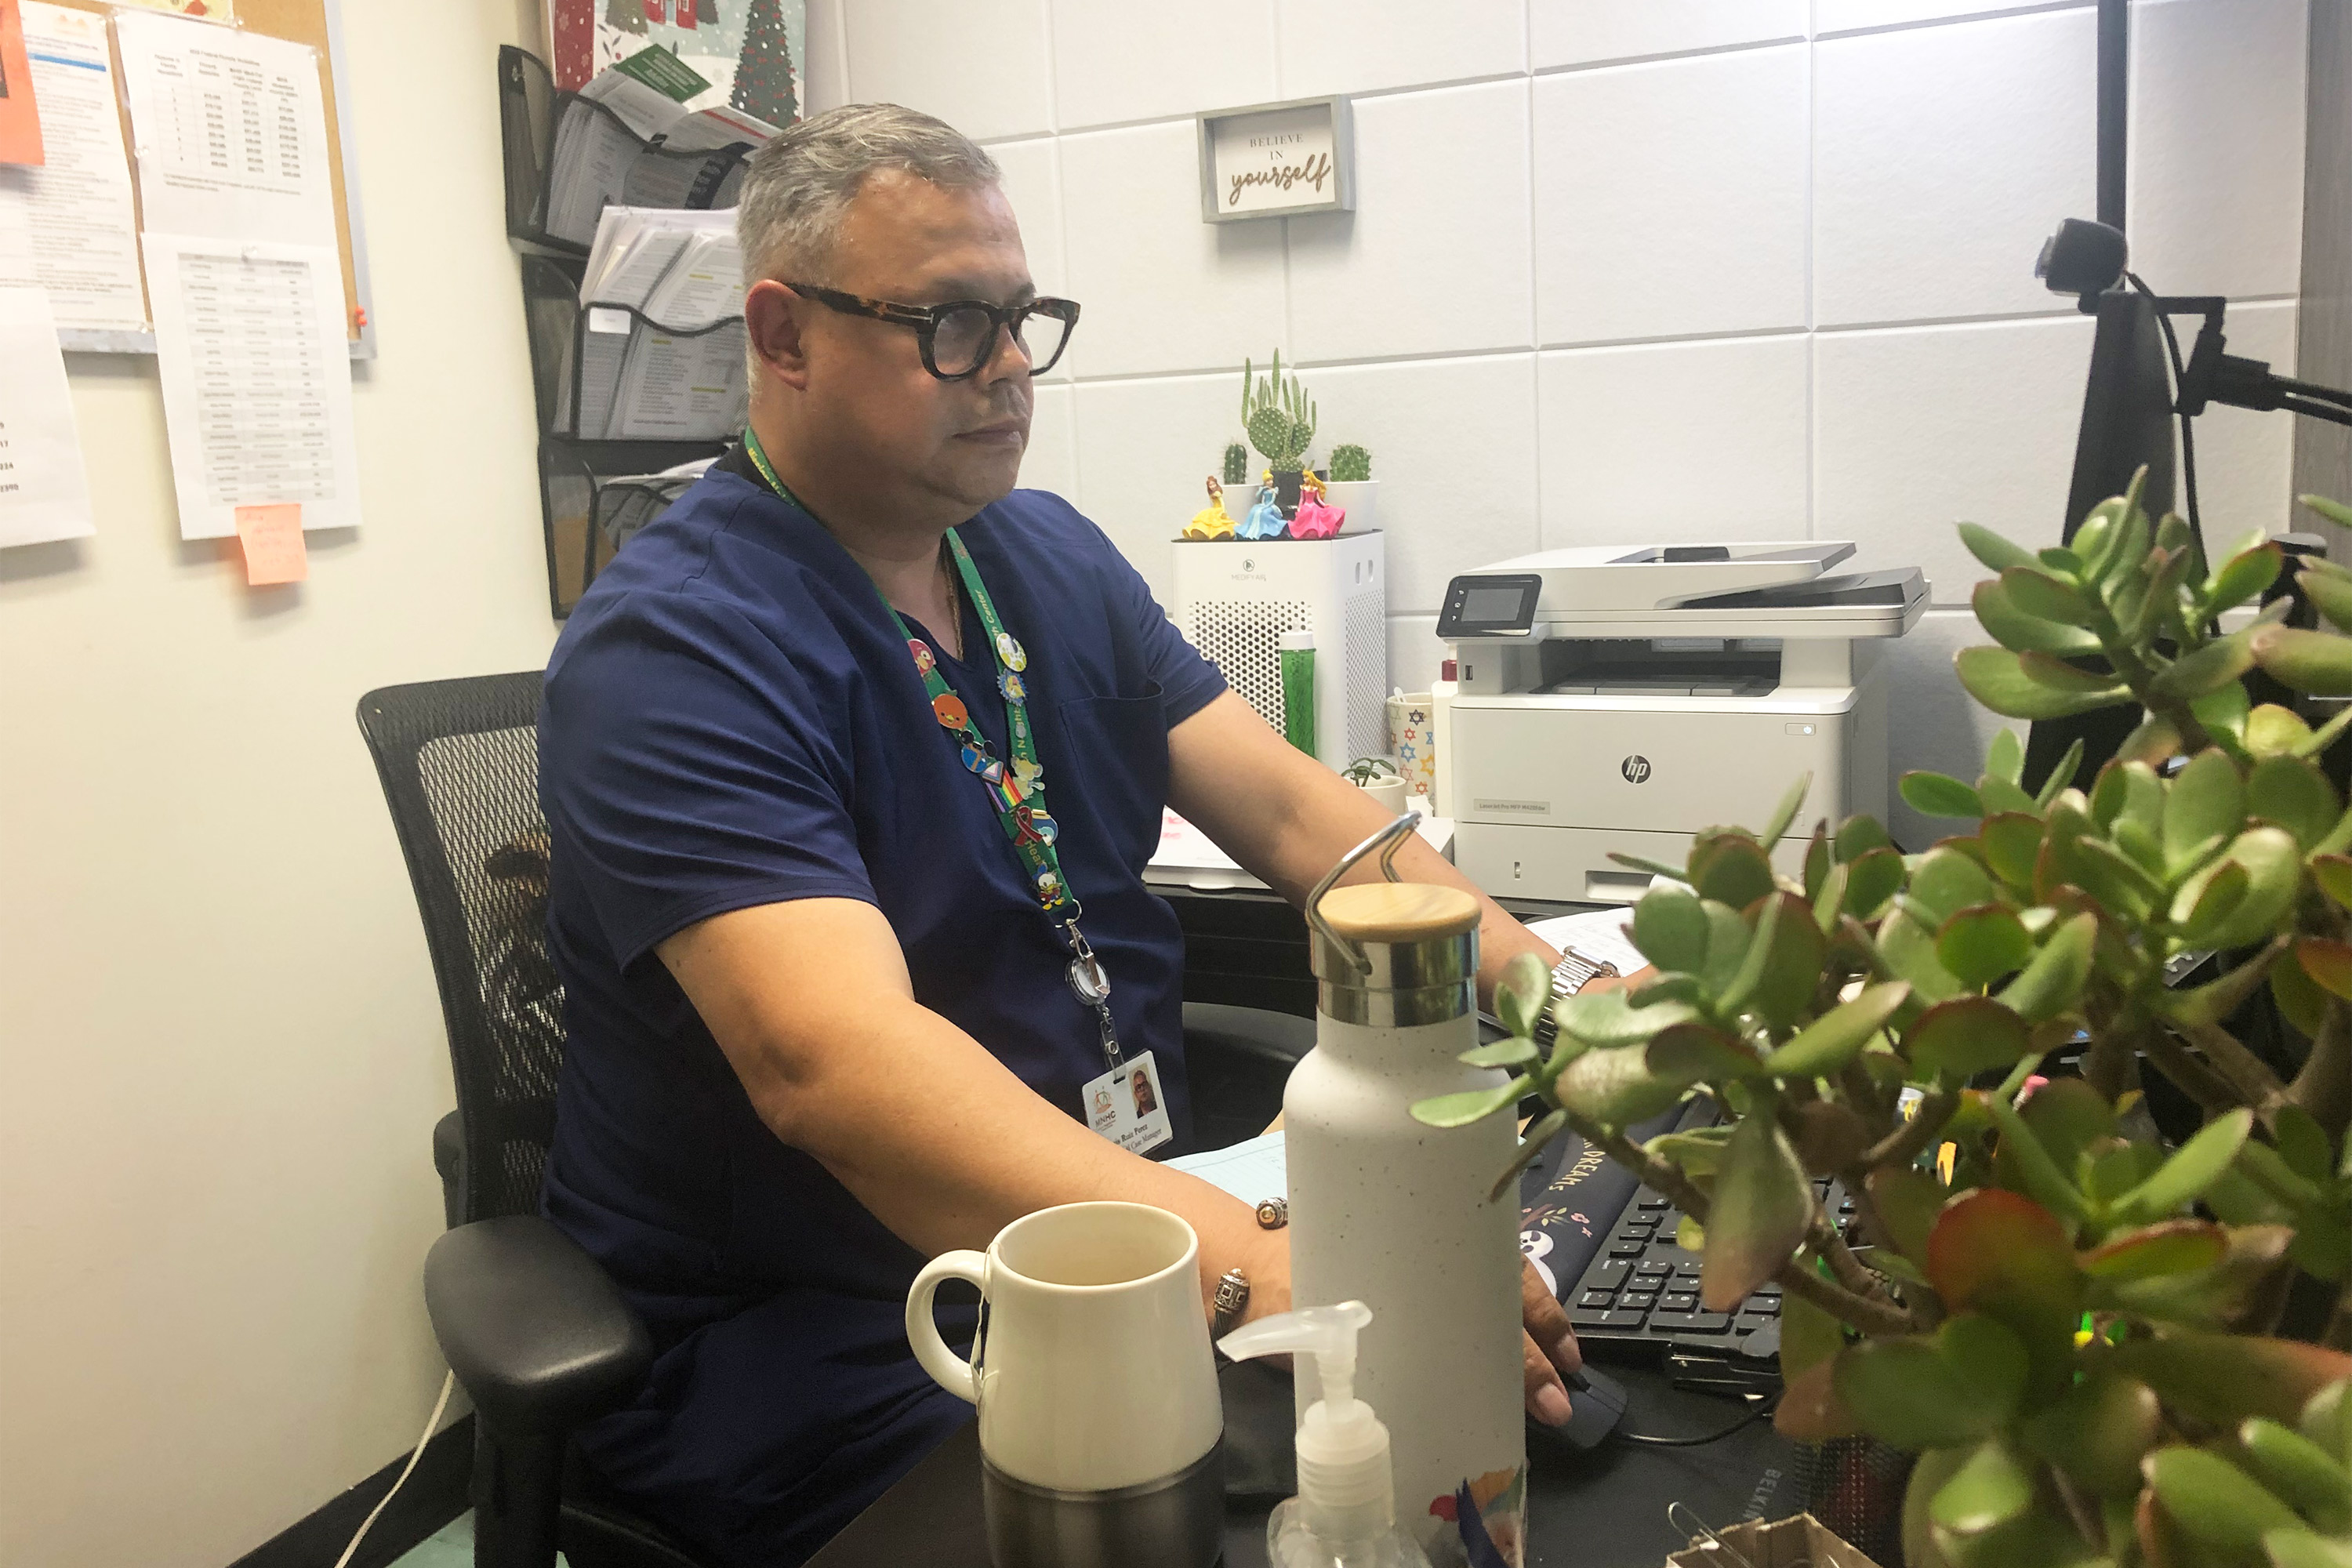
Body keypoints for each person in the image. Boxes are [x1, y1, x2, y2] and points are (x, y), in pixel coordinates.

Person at [537, 103, 1638, 1567]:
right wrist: (1250, 1270)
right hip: (856, 1336)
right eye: (948, 325)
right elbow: (834, 1068)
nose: (1003, 370)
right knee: (1394, 1476)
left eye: (1019, 319)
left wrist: (1553, 1008)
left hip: (1140, 1222)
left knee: (1502, 1429)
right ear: (784, 334)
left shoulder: (1041, 553)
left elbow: (1314, 823)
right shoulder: (673, 648)